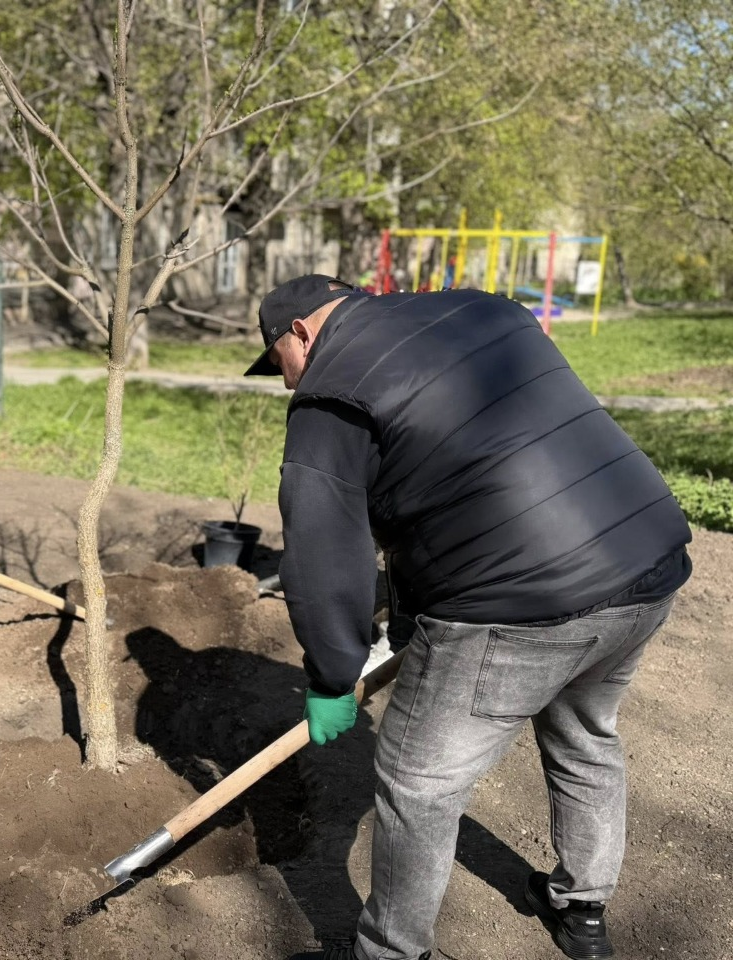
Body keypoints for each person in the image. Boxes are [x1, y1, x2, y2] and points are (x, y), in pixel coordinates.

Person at [245, 275, 692, 960]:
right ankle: (583, 912)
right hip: (643, 559)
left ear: (300, 333)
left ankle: (391, 951)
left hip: (515, 605)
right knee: (585, 733)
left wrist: (332, 678)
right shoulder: (477, 308)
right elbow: (473, 466)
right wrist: (406, 614)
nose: (284, 384)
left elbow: (322, 556)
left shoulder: (331, 392)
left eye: (278, 363)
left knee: (418, 783)